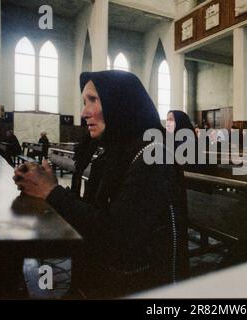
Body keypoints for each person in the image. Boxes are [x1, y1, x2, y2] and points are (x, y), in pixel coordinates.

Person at [13, 70, 189, 298]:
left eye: (93, 100)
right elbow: (96, 212)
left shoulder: (153, 156)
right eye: (84, 102)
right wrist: (51, 185)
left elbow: (115, 238)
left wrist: (51, 192)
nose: (84, 112)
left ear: (121, 102)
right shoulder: (114, 153)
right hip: (109, 278)